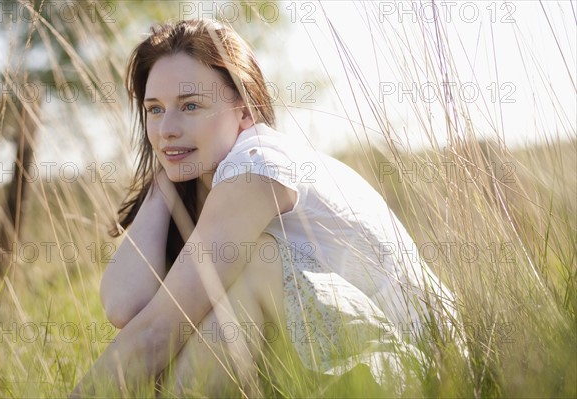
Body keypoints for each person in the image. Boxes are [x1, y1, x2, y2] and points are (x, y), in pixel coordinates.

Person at [71, 18, 459, 398]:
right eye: (155, 109)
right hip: (335, 363)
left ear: (243, 112)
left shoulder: (257, 168)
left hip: (419, 368)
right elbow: (125, 306)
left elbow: (156, 330)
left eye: (190, 106)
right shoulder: (204, 179)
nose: (166, 128)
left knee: (253, 265)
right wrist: (162, 184)